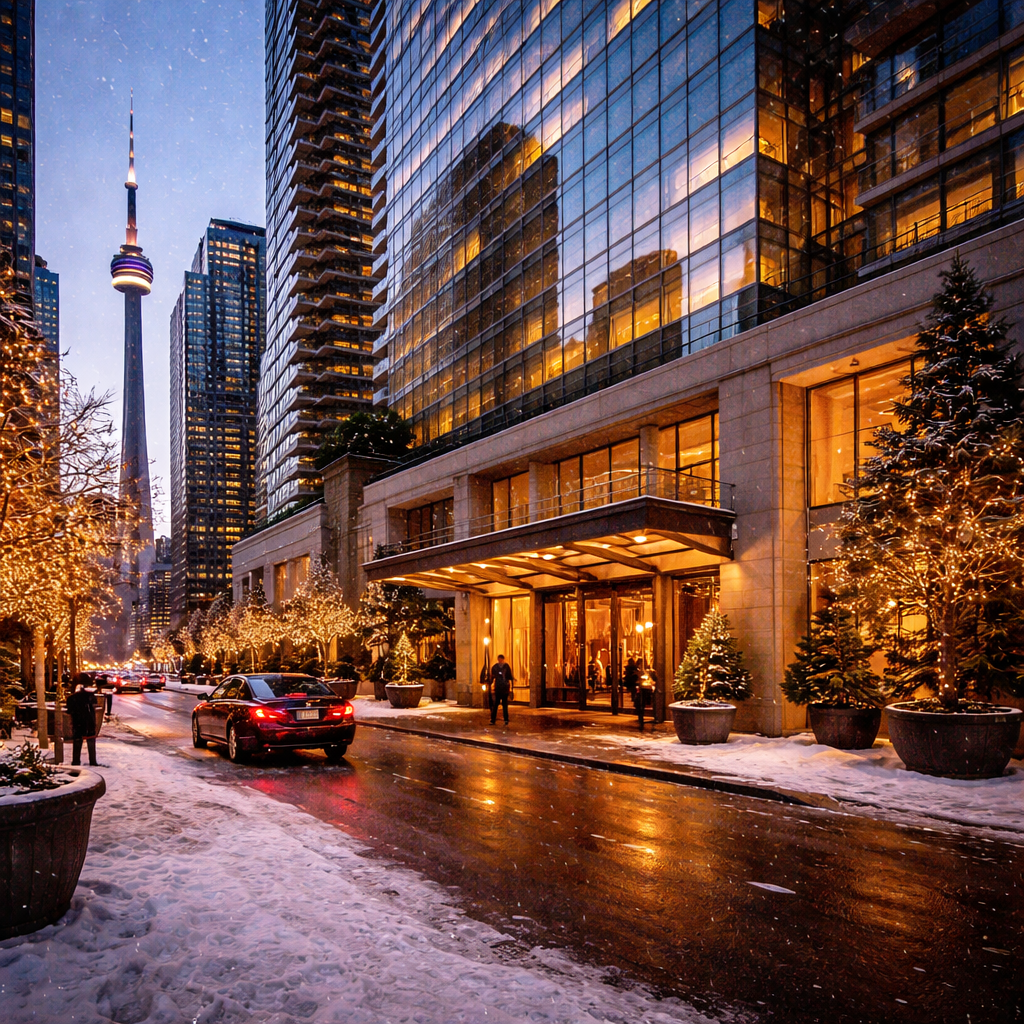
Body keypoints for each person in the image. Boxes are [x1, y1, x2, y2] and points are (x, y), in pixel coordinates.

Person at [66, 676, 99, 767]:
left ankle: (76, 761)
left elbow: (69, 710)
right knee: (91, 741)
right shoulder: (91, 696)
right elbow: (95, 707)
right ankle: (93, 761)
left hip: (77, 722)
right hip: (89, 722)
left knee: (77, 742)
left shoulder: (71, 698)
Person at [489, 654, 514, 725]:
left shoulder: (506, 667)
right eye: (499, 659)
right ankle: (493, 719)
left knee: (504, 704)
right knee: (496, 704)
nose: (500, 661)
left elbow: (509, 676)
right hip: (498, 688)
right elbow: (492, 676)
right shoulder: (495, 667)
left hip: (504, 688)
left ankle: (505, 719)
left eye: (501, 659)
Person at [636, 667, 657, 732]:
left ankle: (641, 719)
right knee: (641, 705)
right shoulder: (646, 678)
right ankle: (641, 719)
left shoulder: (649, 679)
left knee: (642, 705)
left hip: (646, 691)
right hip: (645, 691)